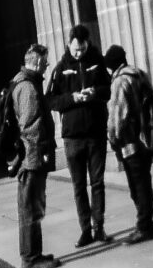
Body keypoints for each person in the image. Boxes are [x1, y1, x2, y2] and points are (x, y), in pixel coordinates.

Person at [47, 23, 110, 247]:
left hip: (96, 132)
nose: (78, 53)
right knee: (78, 185)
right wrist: (72, 98)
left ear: (87, 44)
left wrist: (95, 92)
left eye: (82, 49)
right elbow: (51, 100)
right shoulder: (60, 68)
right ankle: (85, 229)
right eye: (75, 49)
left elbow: (107, 89)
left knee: (98, 182)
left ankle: (99, 227)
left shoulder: (97, 61)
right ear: (68, 45)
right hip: (72, 136)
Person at [104, 44, 153, 243]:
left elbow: (117, 117)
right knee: (143, 183)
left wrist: (113, 139)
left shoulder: (120, 82)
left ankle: (144, 227)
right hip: (146, 140)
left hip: (131, 144)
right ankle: (146, 223)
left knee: (137, 186)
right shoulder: (140, 74)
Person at [12, 43, 57, 268]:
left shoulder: (25, 83)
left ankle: (34, 253)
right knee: (30, 208)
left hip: (30, 158)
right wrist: (42, 150)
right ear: (37, 62)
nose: (47, 66)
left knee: (32, 207)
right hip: (31, 159)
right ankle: (31, 258)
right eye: (45, 62)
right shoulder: (28, 88)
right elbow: (29, 125)